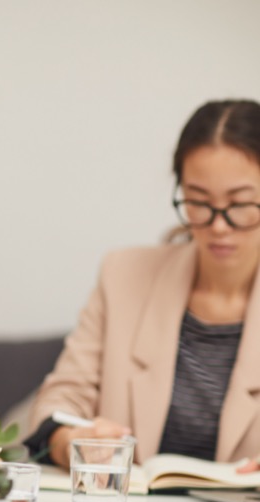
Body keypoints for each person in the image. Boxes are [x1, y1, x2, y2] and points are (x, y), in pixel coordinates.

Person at [26, 99, 260, 473]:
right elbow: (62, 398)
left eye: (241, 204)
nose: (218, 225)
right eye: (199, 202)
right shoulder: (123, 275)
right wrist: (67, 439)